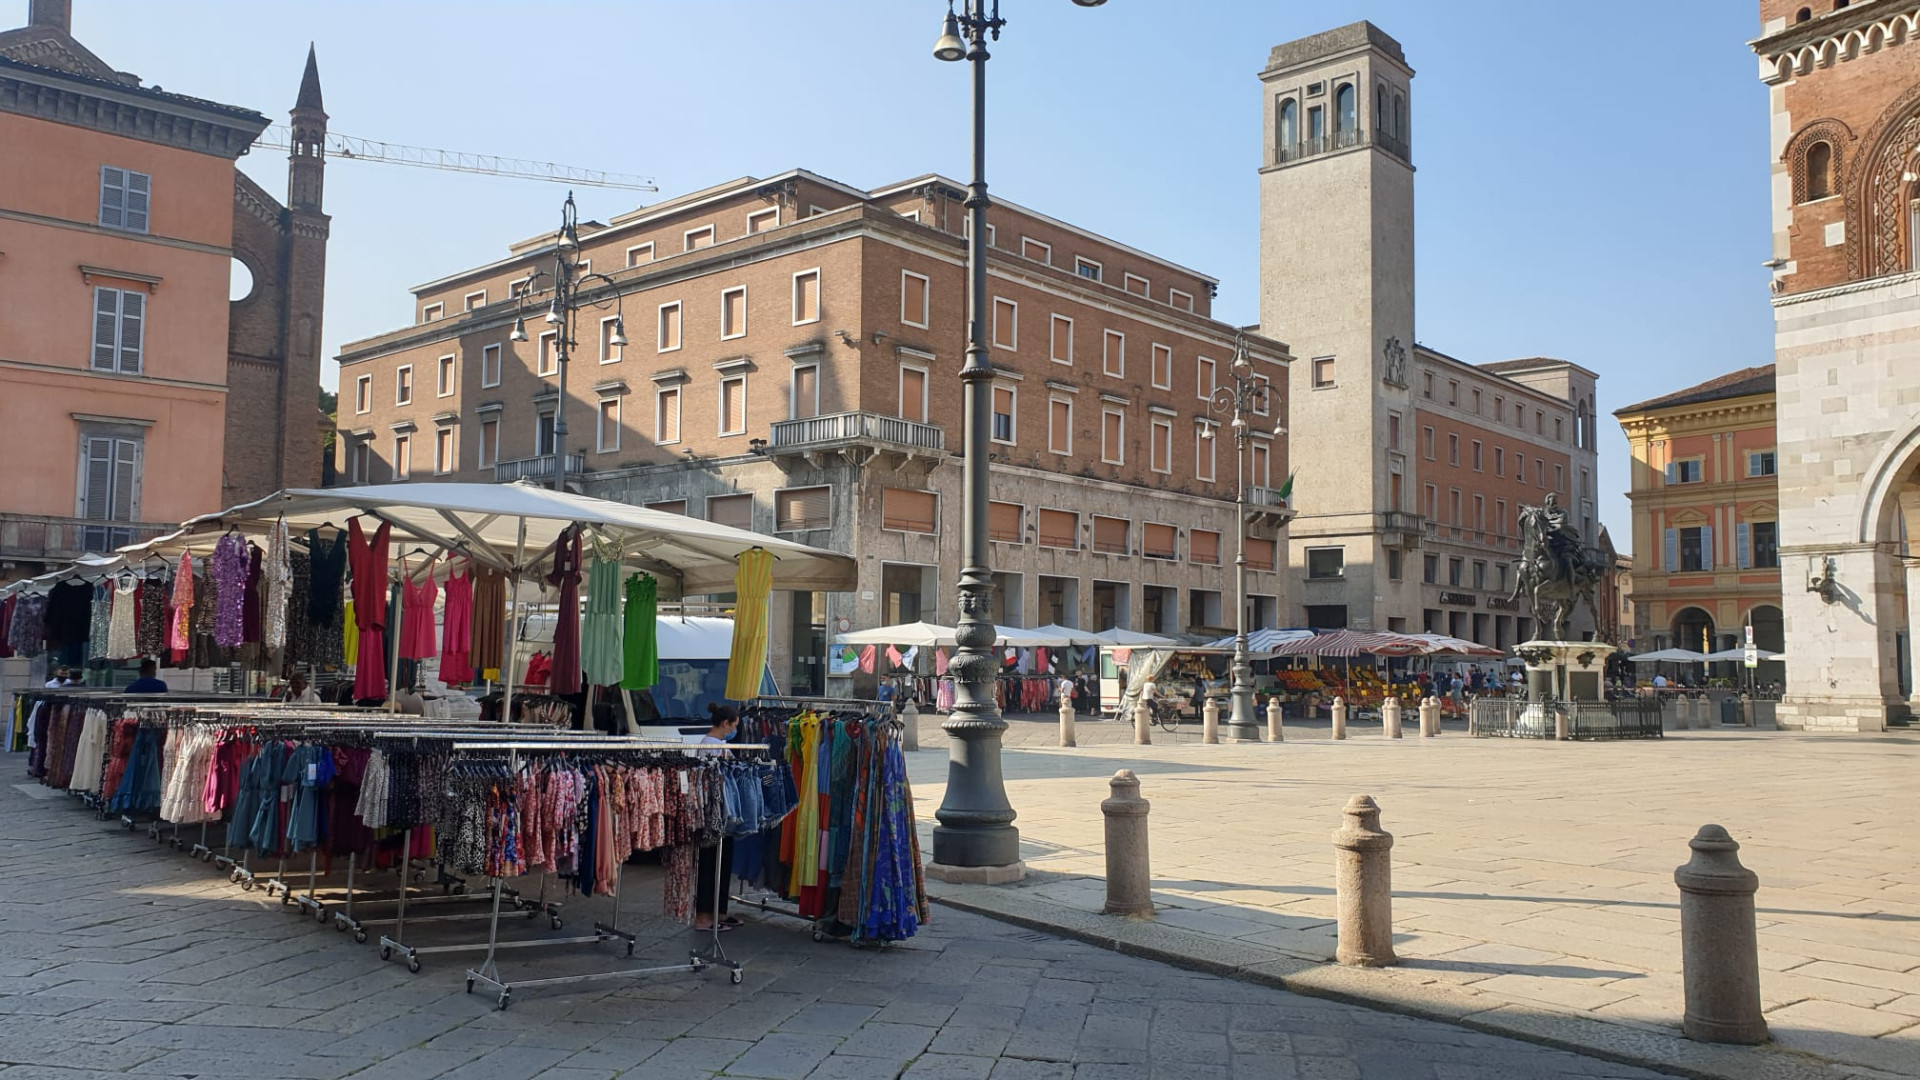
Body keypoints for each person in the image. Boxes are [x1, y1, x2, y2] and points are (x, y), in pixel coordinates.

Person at [693, 703, 741, 933]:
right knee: (711, 863)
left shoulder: (712, 744)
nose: (734, 730)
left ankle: (718, 912)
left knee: (720, 861)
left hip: (718, 811)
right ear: (725, 724)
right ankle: (705, 917)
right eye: (734, 725)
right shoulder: (714, 747)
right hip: (714, 811)